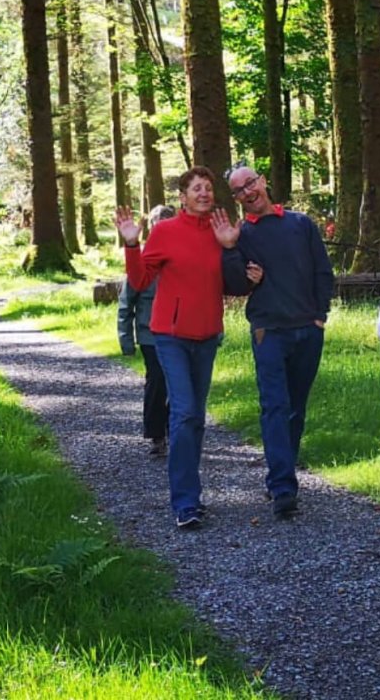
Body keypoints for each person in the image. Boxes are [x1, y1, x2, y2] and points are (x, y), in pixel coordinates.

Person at [115, 169, 247, 530]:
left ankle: (193, 494)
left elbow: (236, 285)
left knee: (195, 417)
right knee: (185, 413)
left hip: (207, 336)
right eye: (196, 189)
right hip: (169, 336)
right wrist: (131, 244)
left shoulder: (221, 230)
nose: (204, 193)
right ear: (183, 197)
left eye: (208, 188)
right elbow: (141, 279)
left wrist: (232, 247)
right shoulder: (166, 231)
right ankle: (185, 503)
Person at [224, 162, 335, 518]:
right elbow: (233, 285)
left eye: (250, 183)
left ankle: (282, 467)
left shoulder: (300, 224)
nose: (246, 192)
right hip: (268, 330)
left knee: (295, 407)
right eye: (238, 191)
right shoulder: (241, 234)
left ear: (264, 180)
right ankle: (283, 487)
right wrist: (236, 262)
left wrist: (320, 316)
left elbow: (323, 270)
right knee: (274, 405)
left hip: (307, 328)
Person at [116, 203, 178, 457]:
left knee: (180, 383)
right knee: (157, 381)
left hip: (180, 333)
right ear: (152, 229)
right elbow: (125, 305)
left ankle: (177, 431)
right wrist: (126, 341)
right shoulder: (142, 261)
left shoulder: (182, 259)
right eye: (158, 225)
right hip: (150, 336)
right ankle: (156, 435)